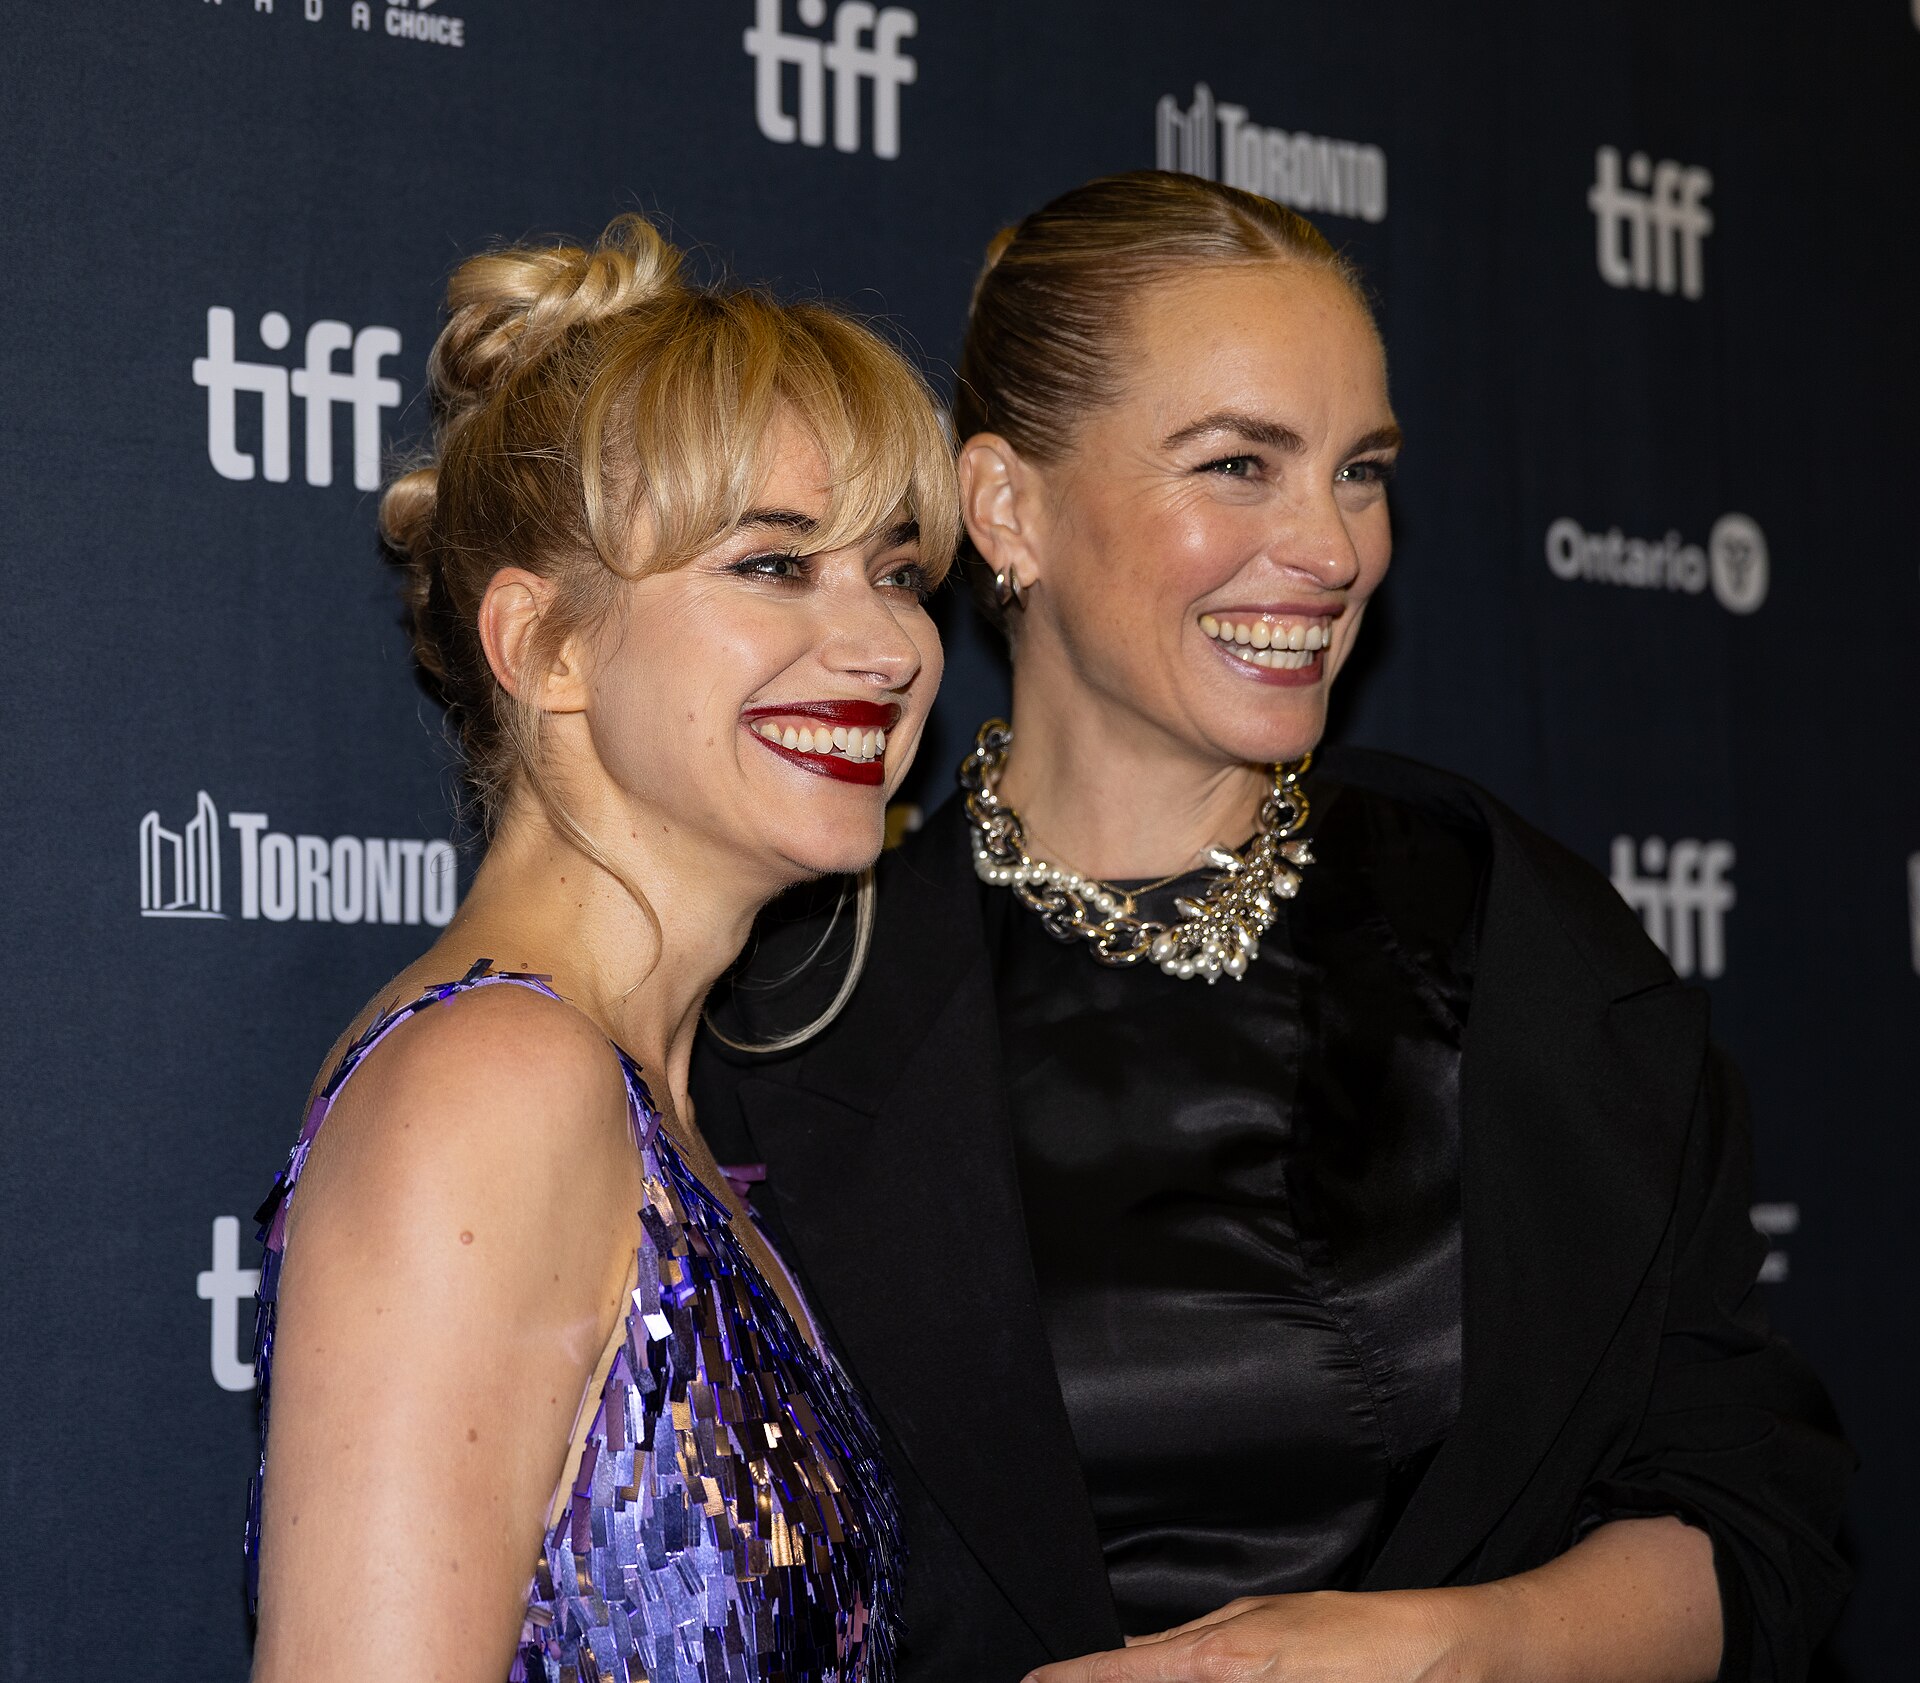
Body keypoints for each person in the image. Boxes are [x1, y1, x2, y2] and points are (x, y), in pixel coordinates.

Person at [691, 173, 1852, 1683]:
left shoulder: (1517, 942)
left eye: (1361, 470)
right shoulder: (792, 1003)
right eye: (1240, 464)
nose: (1334, 547)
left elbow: (1761, 1515)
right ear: (1006, 509)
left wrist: (1451, 1654)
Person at [245, 213, 957, 1683]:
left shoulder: (650, 1105)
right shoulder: (495, 1085)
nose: (887, 647)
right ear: (545, 648)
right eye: (774, 565)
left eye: (896, 570)